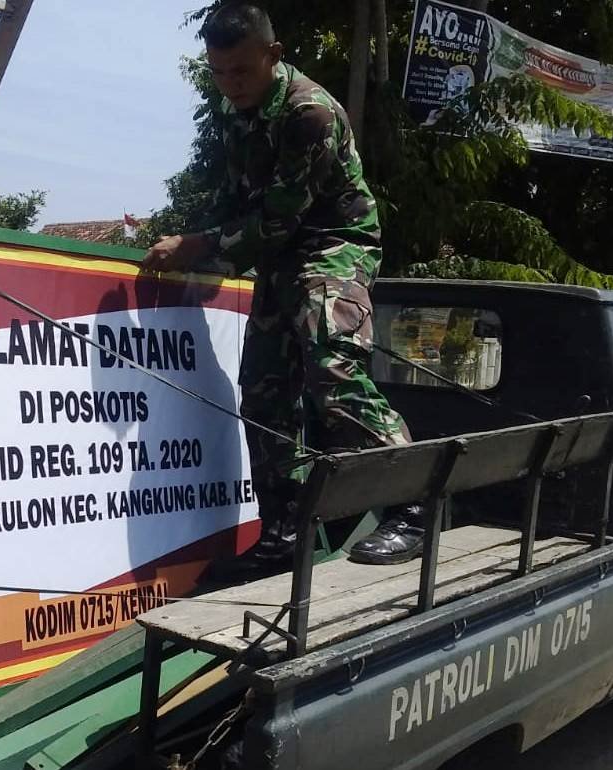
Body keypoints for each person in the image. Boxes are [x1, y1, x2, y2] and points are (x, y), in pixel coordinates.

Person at [141, 4, 420, 578]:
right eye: (219, 72)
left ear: (274, 54)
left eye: (242, 71)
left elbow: (277, 216)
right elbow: (234, 196)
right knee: (264, 391)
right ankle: (285, 529)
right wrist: (198, 242)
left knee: (332, 364)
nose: (230, 84)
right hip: (279, 256)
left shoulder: (309, 113)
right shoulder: (235, 109)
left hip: (333, 245)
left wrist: (198, 245)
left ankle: (412, 507)